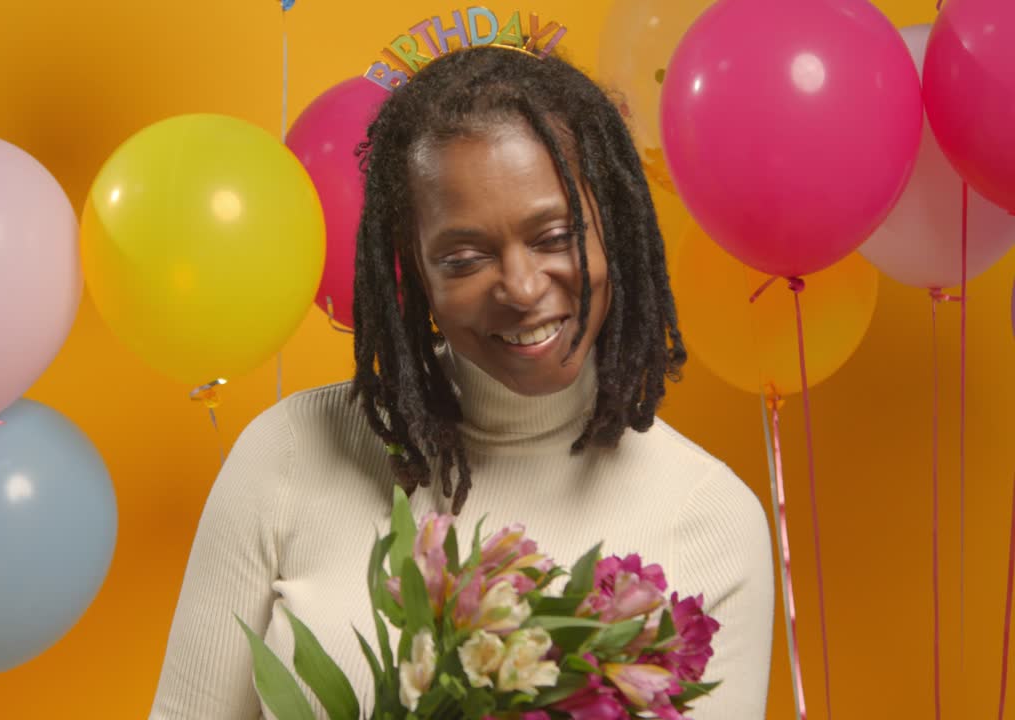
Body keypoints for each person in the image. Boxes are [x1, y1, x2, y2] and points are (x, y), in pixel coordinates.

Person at [149, 44, 774, 719]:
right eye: (465, 257)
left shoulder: (710, 521)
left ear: (612, 231)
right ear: (417, 272)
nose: (524, 287)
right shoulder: (288, 456)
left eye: (556, 235)